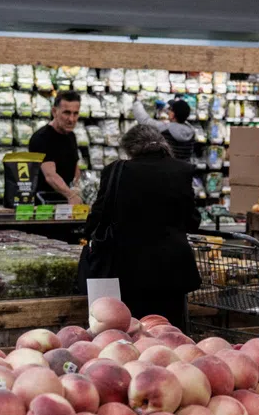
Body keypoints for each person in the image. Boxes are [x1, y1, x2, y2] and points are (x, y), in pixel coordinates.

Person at [84, 125, 201, 328]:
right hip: (172, 270)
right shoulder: (182, 170)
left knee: (130, 330)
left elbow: (97, 219)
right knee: (169, 331)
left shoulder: (116, 171)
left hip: (127, 271)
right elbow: (193, 221)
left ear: (129, 149)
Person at [29, 91, 83, 203]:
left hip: (65, 201)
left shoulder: (70, 135)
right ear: (54, 111)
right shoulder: (42, 138)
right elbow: (50, 176)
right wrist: (71, 195)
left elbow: (75, 166)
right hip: (44, 204)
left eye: (75, 113)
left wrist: (77, 188)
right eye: (67, 113)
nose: (71, 119)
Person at [133, 97, 196, 162]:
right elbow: (180, 115)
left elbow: (145, 120)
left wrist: (137, 103)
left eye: (171, 110)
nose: (169, 112)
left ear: (173, 114)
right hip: (185, 167)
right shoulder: (191, 130)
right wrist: (166, 107)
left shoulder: (165, 128)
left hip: (167, 167)